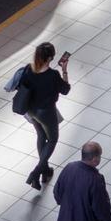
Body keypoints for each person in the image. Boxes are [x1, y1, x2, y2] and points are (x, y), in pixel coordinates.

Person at [20, 42, 71, 189]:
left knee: (41, 136)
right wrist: (65, 70)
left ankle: (45, 171)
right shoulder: (53, 75)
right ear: (49, 58)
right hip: (45, 112)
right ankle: (36, 172)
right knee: (53, 139)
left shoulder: (29, 69)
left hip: (30, 110)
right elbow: (66, 90)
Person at [53, 142, 111, 221]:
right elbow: (101, 207)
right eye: (100, 156)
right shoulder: (95, 179)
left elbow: (57, 192)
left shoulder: (69, 167)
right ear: (95, 159)